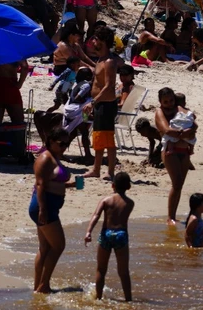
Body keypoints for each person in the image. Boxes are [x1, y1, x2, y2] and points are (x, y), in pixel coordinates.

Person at [29, 129, 75, 294]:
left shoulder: (55, 158)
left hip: (49, 207)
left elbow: (52, 182)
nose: (64, 147)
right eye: (61, 143)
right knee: (59, 245)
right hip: (44, 207)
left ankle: (37, 287)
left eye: (67, 144)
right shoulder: (45, 158)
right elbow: (40, 184)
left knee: (45, 248)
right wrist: (43, 209)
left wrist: (71, 185)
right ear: (50, 141)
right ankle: (44, 285)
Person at [83, 171, 135, 301]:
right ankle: (128, 300)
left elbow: (96, 215)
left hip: (106, 233)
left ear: (112, 185)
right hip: (121, 235)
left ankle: (98, 298)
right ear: (129, 187)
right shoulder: (130, 203)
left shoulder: (105, 200)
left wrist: (89, 232)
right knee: (123, 271)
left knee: (101, 269)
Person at [155, 87, 196, 225]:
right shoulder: (159, 112)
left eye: (171, 100)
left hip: (184, 150)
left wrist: (190, 130)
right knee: (176, 183)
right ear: (160, 102)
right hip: (169, 151)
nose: (169, 104)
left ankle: (173, 215)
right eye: (165, 102)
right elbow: (166, 130)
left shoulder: (179, 109)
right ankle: (170, 217)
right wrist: (184, 133)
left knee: (179, 185)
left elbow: (194, 124)